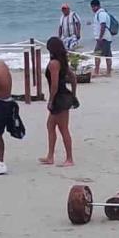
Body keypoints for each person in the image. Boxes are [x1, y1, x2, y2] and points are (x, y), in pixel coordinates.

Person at [38, 37, 79, 167]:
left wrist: (51, 100)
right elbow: (72, 77)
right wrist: (73, 93)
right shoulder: (62, 62)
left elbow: (54, 84)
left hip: (59, 98)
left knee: (63, 128)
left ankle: (70, 158)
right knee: (50, 125)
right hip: (63, 95)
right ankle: (50, 156)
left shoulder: (54, 63)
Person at [90, 0, 113, 76]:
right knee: (107, 54)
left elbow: (103, 26)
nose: (92, 9)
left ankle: (97, 72)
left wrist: (100, 37)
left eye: (93, 7)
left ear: (96, 6)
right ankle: (108, 72)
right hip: (106, 37)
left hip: (104, 38)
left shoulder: (101, 14)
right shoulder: (101, 13)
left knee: (97, 54)